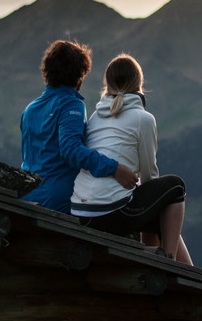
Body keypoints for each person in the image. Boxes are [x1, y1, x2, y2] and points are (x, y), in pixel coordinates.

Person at [70, 53, 193, 265]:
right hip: (110, 212)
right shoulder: (143, 118)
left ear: (107, 83)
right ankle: (169, 263)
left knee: (153, 211)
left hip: (81, 211)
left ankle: (183, 268)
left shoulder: (96, 116)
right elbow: (149, 177)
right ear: (139, 83)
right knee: (175, 187)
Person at [20, 40, 138, 213]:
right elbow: (71, 150)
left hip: (27, 195)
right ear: (80, 75)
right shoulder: (71, 104)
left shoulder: (30, 109)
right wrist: (115, 169)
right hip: (59, 200)